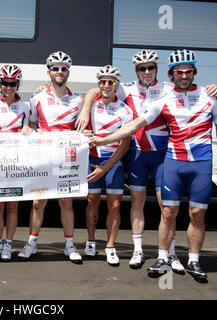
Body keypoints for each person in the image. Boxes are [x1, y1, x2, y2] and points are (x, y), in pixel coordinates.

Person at [89, 49, 217, 282]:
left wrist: (212, 88)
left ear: (158, 69)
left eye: (150, 67)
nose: (146, 72)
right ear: (136, 71)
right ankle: (139, 250)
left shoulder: (169, 88)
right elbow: (100, 90)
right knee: (140, 203)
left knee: (171, 208)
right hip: (138, 153)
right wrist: (89, 115)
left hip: (165, 154)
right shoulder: (129, 89)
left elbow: (209, 111)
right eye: (141, 68)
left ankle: (172, 254)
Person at [18, 51, 84, 263]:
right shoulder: (37, 98)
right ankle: (31, 243)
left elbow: (81, 129)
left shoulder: (78, 100)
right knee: (38, 203)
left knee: (66, 203)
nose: (59, 71)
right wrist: (29, 130)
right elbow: (32, 124)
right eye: (55, 68)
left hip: (66, 159)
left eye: (63, 68)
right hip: (44, 157)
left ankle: (69, 245)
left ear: (68, 72)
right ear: (48, 72)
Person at [0, 64, 31, 261]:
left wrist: (29, 131)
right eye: (5, 83)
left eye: (12, 83)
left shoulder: (25, 108)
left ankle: (8, 244)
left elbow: (31, 131)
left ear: (17, 85)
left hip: (16, 165)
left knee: (12, 207)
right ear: (0, 84)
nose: (8, 87)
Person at [84, 65, 132, 266]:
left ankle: (111, 246)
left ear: (117, 85)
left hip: (113, 161)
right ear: (98, 85)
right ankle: (91, 240)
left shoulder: (125, 110)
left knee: (115, 204)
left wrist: (106, 167)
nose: (106, 85)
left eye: (110, 82)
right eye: (102, 81)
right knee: (92, 201)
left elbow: (125, 144)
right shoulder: (89, 106)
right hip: (92, 158)